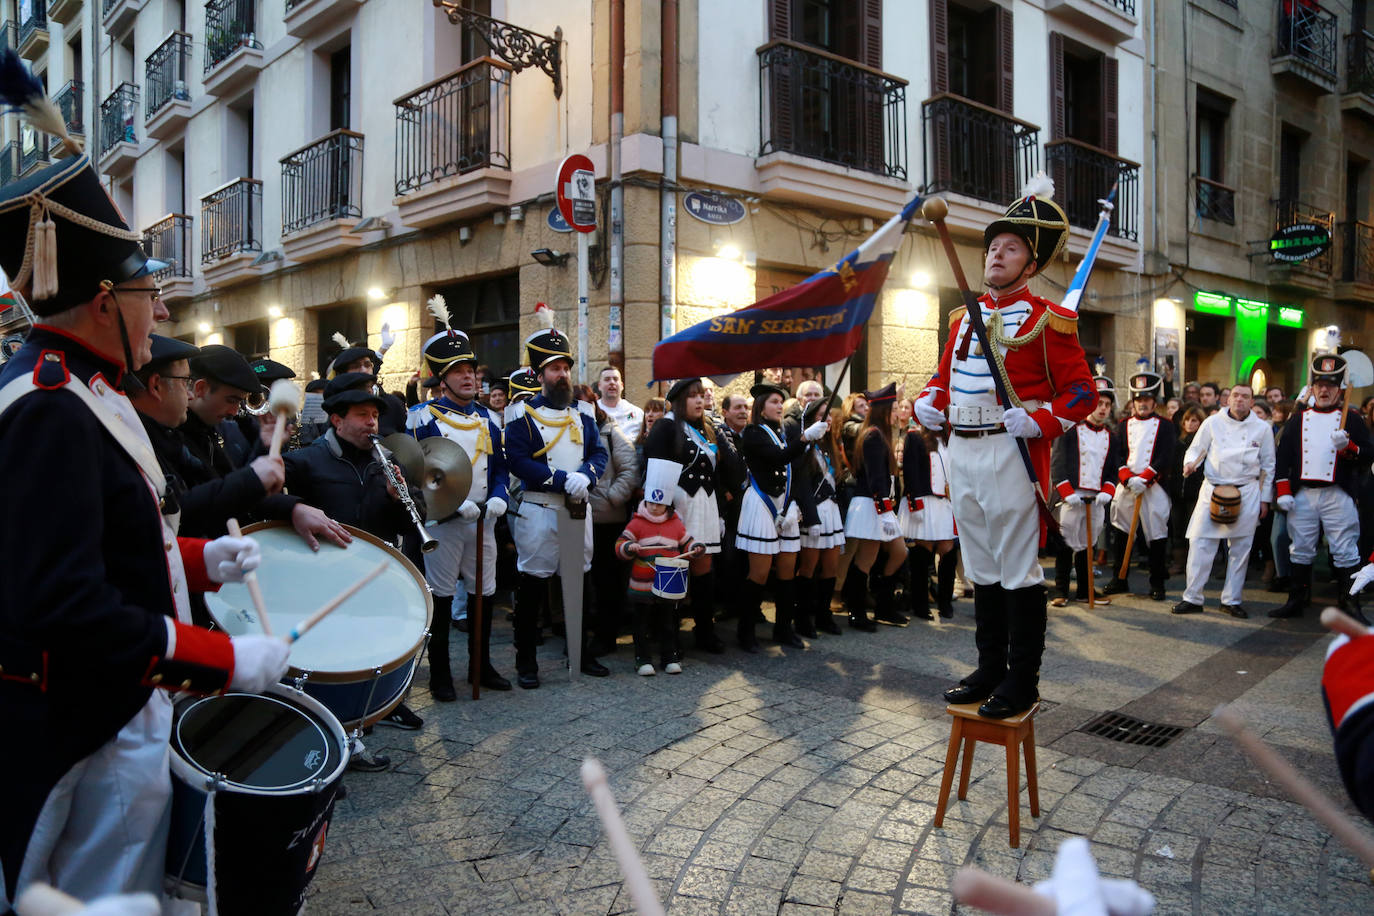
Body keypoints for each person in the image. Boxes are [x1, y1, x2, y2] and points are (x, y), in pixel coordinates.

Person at [0, 153, 288, 910]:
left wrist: (201, 560)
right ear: (104, 301)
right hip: (87, 722)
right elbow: (63, 603)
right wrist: (221, 661)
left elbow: (113, 545)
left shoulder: (82, 389)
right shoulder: (49, 405)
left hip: (116, 704)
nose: (160, 314)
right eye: (148, 294)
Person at [915, 175, 1096, 719]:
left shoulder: (1050, 320)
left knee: (1017, 569)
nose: (996, 254)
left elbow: (1082, 393)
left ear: (1031, 264)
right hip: (963, 451)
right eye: (993, 246)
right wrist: (928, 401)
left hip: (1010, 453)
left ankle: (1023, 680)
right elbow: (942, 379)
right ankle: (989, 668)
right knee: (980, 567)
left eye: (1010, 248)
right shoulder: (960, 319)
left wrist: (1039, 420)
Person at [282, 380, 428, 761]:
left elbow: (416, 519)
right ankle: (323, 744)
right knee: (328, 664)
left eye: (375, 415)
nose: (372, 424)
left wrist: (400, 499)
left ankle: (354, 733)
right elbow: (273, 506)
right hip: (324, 581)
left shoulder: (387, 462)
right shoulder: (306, 461)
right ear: (337, 420)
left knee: (364, 661)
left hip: (374, 579)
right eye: (362, 415)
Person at [406, 302, 512, 699]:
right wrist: (450, 503)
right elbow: (416, 473)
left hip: (483, 519)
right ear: (442, 379)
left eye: (470, 370)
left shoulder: (488, 419)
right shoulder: (421, 418)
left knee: (484, 594)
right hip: (445, 522)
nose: (468, 377)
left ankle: (481, 666)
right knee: (442, 596)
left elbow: (499, 469)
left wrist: (499, 497)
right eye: (458, 371)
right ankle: (440, 674)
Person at [503, 310, 610, 686]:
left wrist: (587, 475)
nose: (562, 374)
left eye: (565, 367)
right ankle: (526, 663)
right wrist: (564, 479)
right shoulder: (520, 413)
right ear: (539, 375)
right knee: (532, 588)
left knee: (579, 584)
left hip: (578, 509)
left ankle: (580, 654)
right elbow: (517, 460)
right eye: (553, 368)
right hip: (540, 509)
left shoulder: (584, 411)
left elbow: (598, 453)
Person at [1270, 353, 1374, 620]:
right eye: (1319, 385)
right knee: (1300, 548)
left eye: (1330, 385)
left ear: (1340, 389)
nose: (1324, 390)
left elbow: (1368, 455)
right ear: (1312, 388)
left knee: (1345, 550)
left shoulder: (1352, 419)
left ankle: (1349, 603)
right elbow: (1282, 458)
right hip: (1303, 495)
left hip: (1338, 494)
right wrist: (1283, 491)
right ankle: (1296, 599)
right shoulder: (1298, 419)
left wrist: (1350, 447)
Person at [643, 378, 742, 652]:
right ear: (678, 400)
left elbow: (722, 472)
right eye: (692, 396)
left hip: (705, 505)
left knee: (703, 570)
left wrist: (719, 510)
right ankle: (668, 635)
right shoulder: (665, 426)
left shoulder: (707, 428)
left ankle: (705, 631)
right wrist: (661, 513)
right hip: (677, 506)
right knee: (674, 569)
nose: (699, 401)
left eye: (701, 395)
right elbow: (654, 469)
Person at [733, 381, 829, 650]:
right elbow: (778, 458)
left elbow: (794, 467)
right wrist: (804, 438)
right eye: (773, 402)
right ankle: (745, 631)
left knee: (788, 569)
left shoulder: (781, 432)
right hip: (762, 503)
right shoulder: (753, 432)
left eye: (780, 401)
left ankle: (784, 629)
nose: (779, 406)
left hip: (785, 505)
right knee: (760, 573)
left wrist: (796, 503)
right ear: (761, 407)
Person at [1172, 384, 1274, 618]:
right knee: (1200, 544)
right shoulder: (1212, 422)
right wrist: (1189, 464)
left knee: (1240, 549)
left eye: (1245, 396)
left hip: (1247, 491)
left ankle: (1231, 600)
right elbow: (1196, 450)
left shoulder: (1262, 429)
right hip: (1212, 489)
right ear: (1228, 399)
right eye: (1236, 395)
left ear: (1252, 402)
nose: (1240, 400)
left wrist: (1265, 499)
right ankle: (1192, 597)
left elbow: (1268, 466)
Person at [617, 458, 704, 675]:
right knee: (641, 623)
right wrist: (629, 547)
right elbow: (620, 544)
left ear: (668, 504)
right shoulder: (636, 522)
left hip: (669, 585)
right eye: (651, 503)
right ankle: (642, 659)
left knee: (669, 623)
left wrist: (695, 547)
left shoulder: (675, 523)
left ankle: (669, 657)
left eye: (660, 504)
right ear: (645, 501)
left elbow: (687, 541)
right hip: (642, 585)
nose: (655, 508)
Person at [1102, 372, 1177, 601]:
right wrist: (1127, 477)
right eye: (1138, 400)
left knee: (1157, 535)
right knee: (1121, 531)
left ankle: (1157, 583)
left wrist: (1145, 478)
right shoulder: (1123, 425)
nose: (1142, 404)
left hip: (1154, 486)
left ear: (1154, 402)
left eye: (1147, 399)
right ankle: (1119, 578)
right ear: (1133, 402)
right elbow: (1117, 454)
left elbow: (1166, 455)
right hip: (1127, 486)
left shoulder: (1165, 426)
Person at [843, 383, 909, 629]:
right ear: (883, 411)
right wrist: (883, 508)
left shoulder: (879, 434)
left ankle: (883, 605)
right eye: (894, 408)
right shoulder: (873, 435)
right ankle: (857, 611)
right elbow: (875, 477)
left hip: (879, 503)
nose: (897, 413)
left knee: (898, 552)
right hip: (872, 503)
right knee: (866, 559)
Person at [1048, 382, 1119, 607]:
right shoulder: (1070, 431)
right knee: (1066, 543)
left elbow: (1113, 468)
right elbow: (1057, 463)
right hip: (1072, 497)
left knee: (1089, 544)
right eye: (1099, 403)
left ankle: (1085, 590)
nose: (1103, 408)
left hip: (1096, 498)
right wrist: (1066, 492)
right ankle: (1060, 590)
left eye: (1107, 404)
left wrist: (1108, 489)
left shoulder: (1112, 437)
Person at [586, 386, 639, 655]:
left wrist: (611, 498)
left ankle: (606, 636)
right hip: (577, 518)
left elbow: (630, 469)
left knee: (607, 581)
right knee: (586, 581)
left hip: (607, 521)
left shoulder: (610, 431)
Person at [794, 397, 846, 636]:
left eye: (829, 415)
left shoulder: (831, 445)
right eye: (821, 415)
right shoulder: (805, 446)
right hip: (814, 512)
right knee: (808, 567)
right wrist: (811, 517)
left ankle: (824, 615)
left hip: (832, 512)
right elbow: (802, 484)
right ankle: (802, 618)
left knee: (831, 567)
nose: (827, 419)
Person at [900, 422, 959, 619]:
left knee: (948, 550)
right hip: (924, 500)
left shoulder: (951, 438)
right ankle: (920, 604)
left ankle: (945, 602)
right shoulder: (915, 437)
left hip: (946, 502)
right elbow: (910, 470)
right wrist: (914, 503)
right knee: (923, 553)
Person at [597, 365, 644, 442]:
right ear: (599, 386)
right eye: (607, 379)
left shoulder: (636, 412)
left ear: (622, 385)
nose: (612, 382)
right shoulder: (592, 412)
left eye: (615, 379)